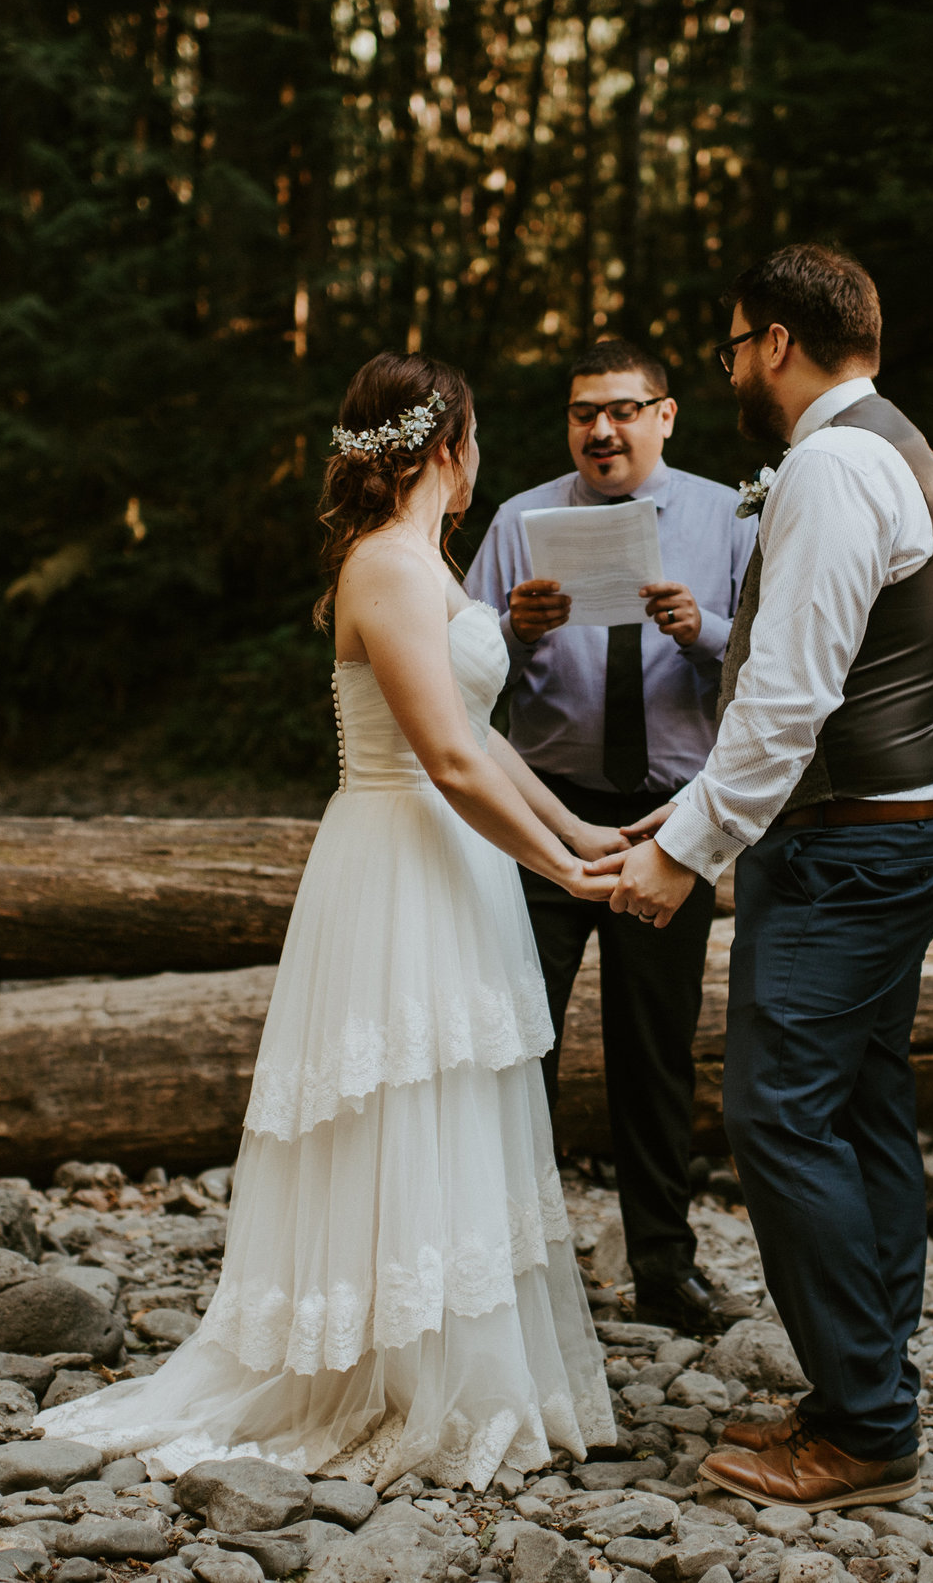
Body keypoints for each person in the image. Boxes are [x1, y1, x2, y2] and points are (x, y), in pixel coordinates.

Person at [39, 352, 619, 1490]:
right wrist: (562, 866)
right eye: (478, 439)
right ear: (444, 446)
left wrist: (583, 834)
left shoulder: (428, 566)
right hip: (398, 858)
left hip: (453, 863)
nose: (481, 460)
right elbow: (445, 758)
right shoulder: (387, 570)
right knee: (394, 1105)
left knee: (450, 1103)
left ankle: (440, 1359)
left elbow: (485, 737)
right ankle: (378, 1371)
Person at [592, 245, 933, 1513]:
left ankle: (865, 1427)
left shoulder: (826, 464)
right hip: (897, 826)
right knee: (861, 1105)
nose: (733, 369)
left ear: (770, 343)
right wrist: (691, 813)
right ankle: (865, 1378)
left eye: (732, 346)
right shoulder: (895, 444)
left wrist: (682, 855)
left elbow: (788, 699)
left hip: (848, 850)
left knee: (777, 1116)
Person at [465, 337, 758, 1336]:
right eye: (584, 412)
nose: (601, 430)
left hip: (673, 823)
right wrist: (515, 629)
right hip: (541, 811)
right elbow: (452, 676)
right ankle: (512, 1268)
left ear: (666, 415)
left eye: (624, 409)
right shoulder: (517, 522)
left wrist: (704, 630)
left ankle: (664, 1271)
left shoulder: (732, 518)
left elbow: (778, 668)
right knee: (518, 1042)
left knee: (655, 1049)